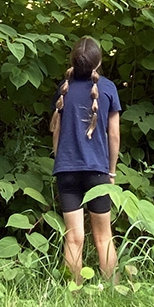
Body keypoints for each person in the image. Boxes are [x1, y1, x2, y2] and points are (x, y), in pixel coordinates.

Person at [50, 36, 121, 285]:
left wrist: (61, 162)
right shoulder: (109, 88)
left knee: (73, 238)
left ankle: (72, 294)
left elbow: (55, 132)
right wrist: (111, 172)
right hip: (97, 171)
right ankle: (114, 292)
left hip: (66, 171)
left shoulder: (64, 88)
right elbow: (113, 135)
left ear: (73, 62)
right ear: (98, 61)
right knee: (103, 237)